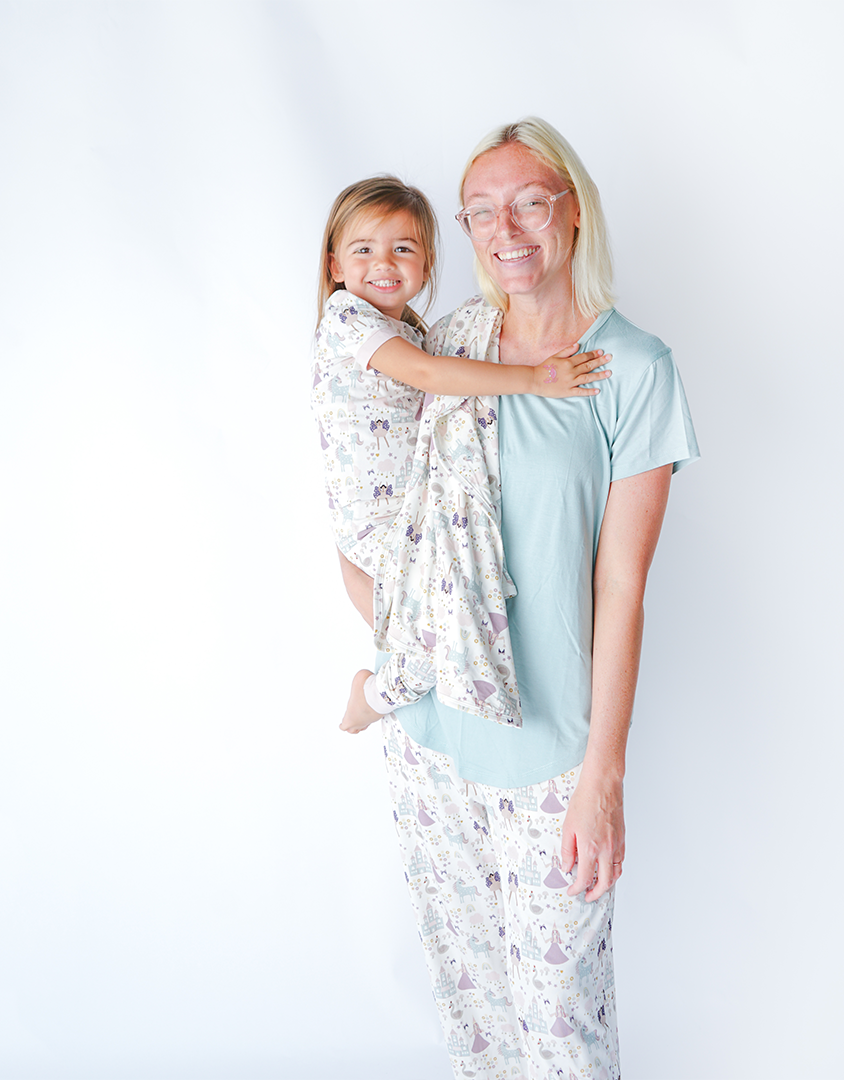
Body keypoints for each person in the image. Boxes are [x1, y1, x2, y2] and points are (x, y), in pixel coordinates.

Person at [337, 121, 699, 1079]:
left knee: (560, 1020)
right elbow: (373, 484)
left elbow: (621, 586)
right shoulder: (447, 342)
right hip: (428, 731)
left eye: (530, 200)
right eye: (482, 209)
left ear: (572, 210)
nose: (508, 228)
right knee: (477, 1006)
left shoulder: (636, 370)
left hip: (549, 748)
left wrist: (602, 775)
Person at [311, 176, 610, 734]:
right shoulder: (348, 321)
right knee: (443, 638)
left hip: (407, 513)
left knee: (439, 629)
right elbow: (429, 376)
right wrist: (534, 378)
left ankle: (380, 687)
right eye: (364, 249)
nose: (384, 263)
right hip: (378, 521)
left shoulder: (408, 331)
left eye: (403, 248)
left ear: (425, 266)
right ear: (335, 267)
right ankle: (369, 699)